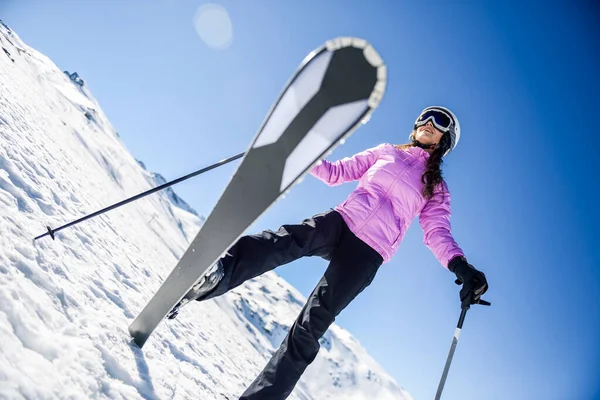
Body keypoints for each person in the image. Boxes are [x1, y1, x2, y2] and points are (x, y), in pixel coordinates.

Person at [168, 106, 489, 399]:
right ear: (416, 125)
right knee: (283, 240)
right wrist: (300, 155)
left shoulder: (436, 188)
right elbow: (335, 173)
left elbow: (436, 232)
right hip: (342, 221)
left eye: (441, 122)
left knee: (309, 328)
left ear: (447, 139)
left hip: (369, 253)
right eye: (427, 117)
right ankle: (216, 274)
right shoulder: (386, 152)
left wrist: (460, 266)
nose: (430, 123)